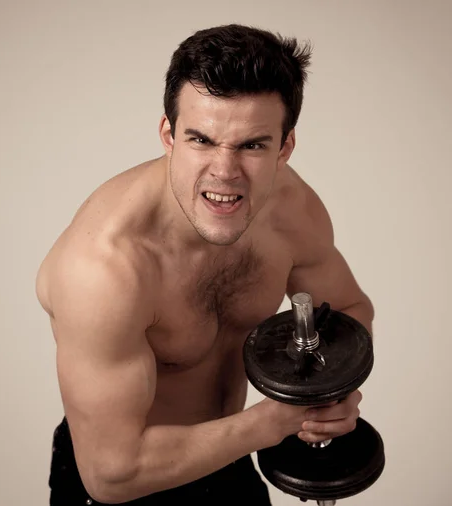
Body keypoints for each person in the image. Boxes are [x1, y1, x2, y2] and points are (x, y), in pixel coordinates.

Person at [35, 23, 374, 506]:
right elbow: (112, 473)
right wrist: (275, 421)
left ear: (285, 147)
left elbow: (349, 308)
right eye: (202, 140)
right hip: (130, 478)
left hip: (229, 454)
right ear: (168, 134)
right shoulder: (106, 266)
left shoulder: (289, 208)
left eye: (252, 145)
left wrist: (330, 396)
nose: (224, 171)